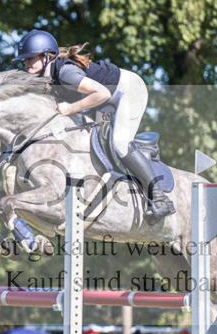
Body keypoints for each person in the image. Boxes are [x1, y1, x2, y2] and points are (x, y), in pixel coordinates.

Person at [12, 29, 175, 218]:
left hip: (127, 91)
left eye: (30, 58)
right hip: (105, 100)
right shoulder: (44, 78)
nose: (25, 62)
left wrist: (71, 109)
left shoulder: (65, 72)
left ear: (47, 56)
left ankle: (160, 198)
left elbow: (103, 93)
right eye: (24, 59)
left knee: (120, 143)